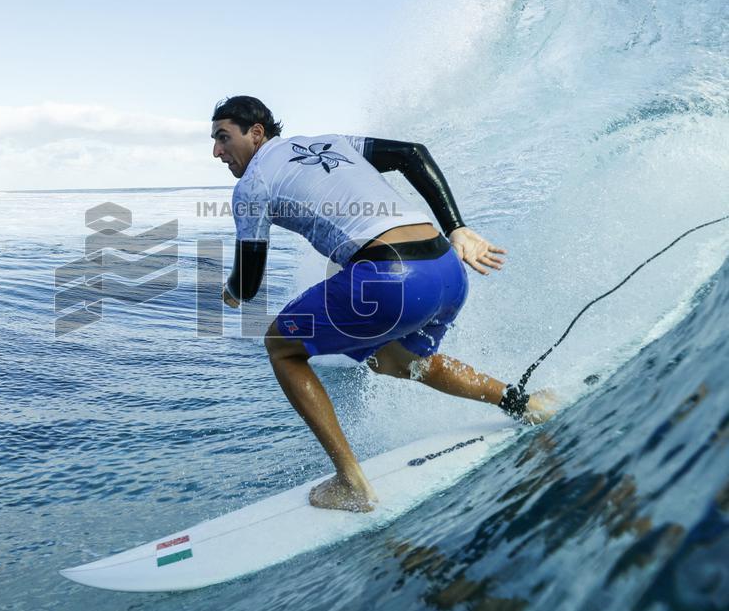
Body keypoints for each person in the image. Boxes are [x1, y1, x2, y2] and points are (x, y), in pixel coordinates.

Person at [212, 95, 556, 513]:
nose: (217, 152)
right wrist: (457, 227)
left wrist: (230, 292)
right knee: (396, 361)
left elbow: (248, 285)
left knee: (281, 345)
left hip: (390, 278)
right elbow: (413, 154)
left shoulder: (251, 186)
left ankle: (351, 481)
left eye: (224, 138)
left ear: (257, 132)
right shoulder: (334, 141)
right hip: (447, 270)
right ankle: (525, 404)